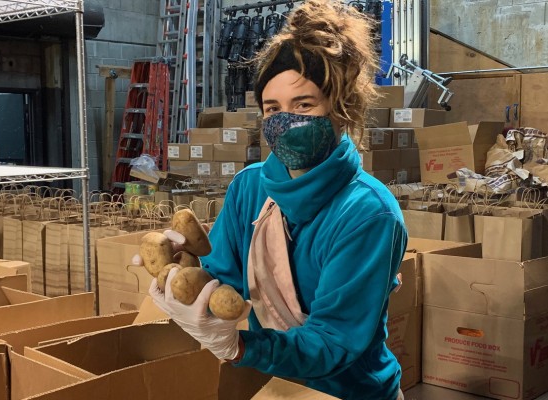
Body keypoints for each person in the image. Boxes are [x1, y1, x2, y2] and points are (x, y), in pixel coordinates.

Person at [146, 1, 408, 398]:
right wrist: (186, 273)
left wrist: (239, 347)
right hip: (273, 383)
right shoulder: (250, 188)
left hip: (348, 390)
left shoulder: (368, 213)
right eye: (273, 109)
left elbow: (333, 341)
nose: (285, 121)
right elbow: (226, 282)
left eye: (303, 105)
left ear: (340, 109)